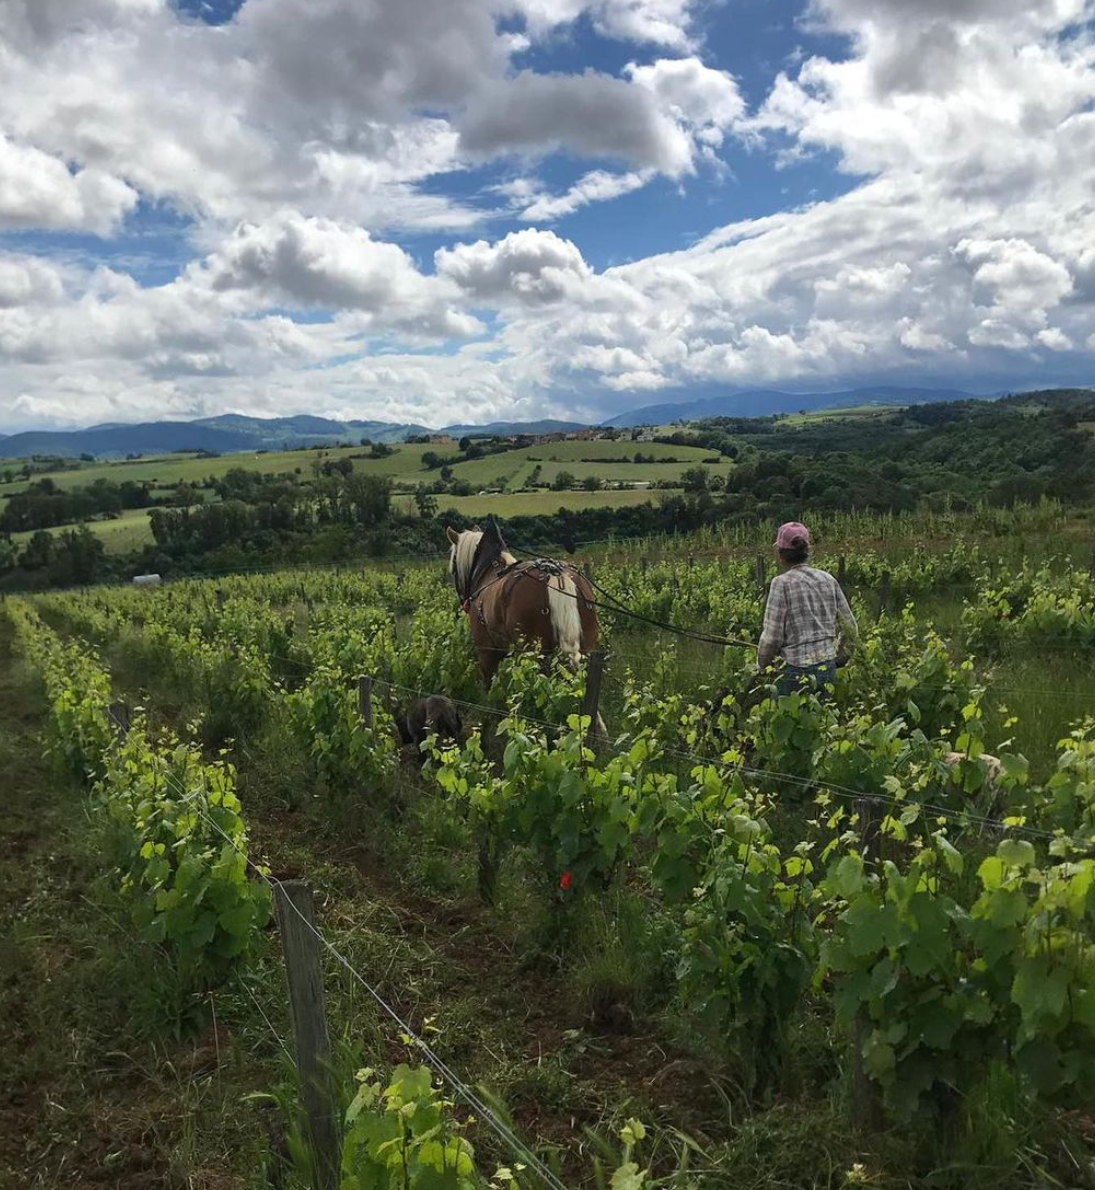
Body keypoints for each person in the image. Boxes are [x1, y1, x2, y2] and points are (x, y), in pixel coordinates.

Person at [757, 522, 857, 698]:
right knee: (822, 721)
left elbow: (772, 638)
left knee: (789, 721)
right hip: (827, 667)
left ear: (781, 555)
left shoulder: (781, 584)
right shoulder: (828, 579)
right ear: (807, 550)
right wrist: (840, 659)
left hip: (793, 672)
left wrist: (764, 666)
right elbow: (850, 627)